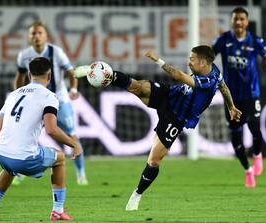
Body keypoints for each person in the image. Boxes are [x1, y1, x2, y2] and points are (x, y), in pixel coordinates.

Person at [75, 45, 242, 211]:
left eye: (192, 59)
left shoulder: (206, 81)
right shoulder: (216, 71)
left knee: (154, 161)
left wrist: (158, 60)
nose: (189, 62)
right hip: (170, 95)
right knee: (139, 87)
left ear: (203, 62)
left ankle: (137, 194)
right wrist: (231, 107)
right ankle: (106, 75)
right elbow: (224, 88)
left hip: (175, 118)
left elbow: (178, 75)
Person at [0, 57, 82, 221]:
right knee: (60, 159)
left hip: (1, 153)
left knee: (9, 168)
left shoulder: (13, 95)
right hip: (23, 158)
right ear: (49, 76)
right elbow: (52, 130)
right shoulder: (49, 96)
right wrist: (74, 144)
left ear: (29, 74)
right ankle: (58, 210)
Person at [212, 7, 266, 188]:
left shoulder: (255, 41)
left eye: (242, 19)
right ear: (231, 21)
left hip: (251, 94)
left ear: (247, 21)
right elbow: (209, 56)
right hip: (231, 97)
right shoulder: (224, 40)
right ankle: (247, 170)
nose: (238, 22)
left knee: (255, 129)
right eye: (235, 18)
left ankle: (258, 155)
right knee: (236, 138)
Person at [13, 20, 88, 186]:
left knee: (72, 134)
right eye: (33, 33)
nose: (37, 36)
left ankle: (81, 174)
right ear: (29, 37)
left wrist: (73, 89)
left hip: (59, 99)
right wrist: (18, 96)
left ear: (46, 36)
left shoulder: (57, 52)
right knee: (22, 133)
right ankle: (17, 172)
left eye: (40, 33)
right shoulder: (23, 55)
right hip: (34, 100)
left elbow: (71, 72)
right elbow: (19, 77)